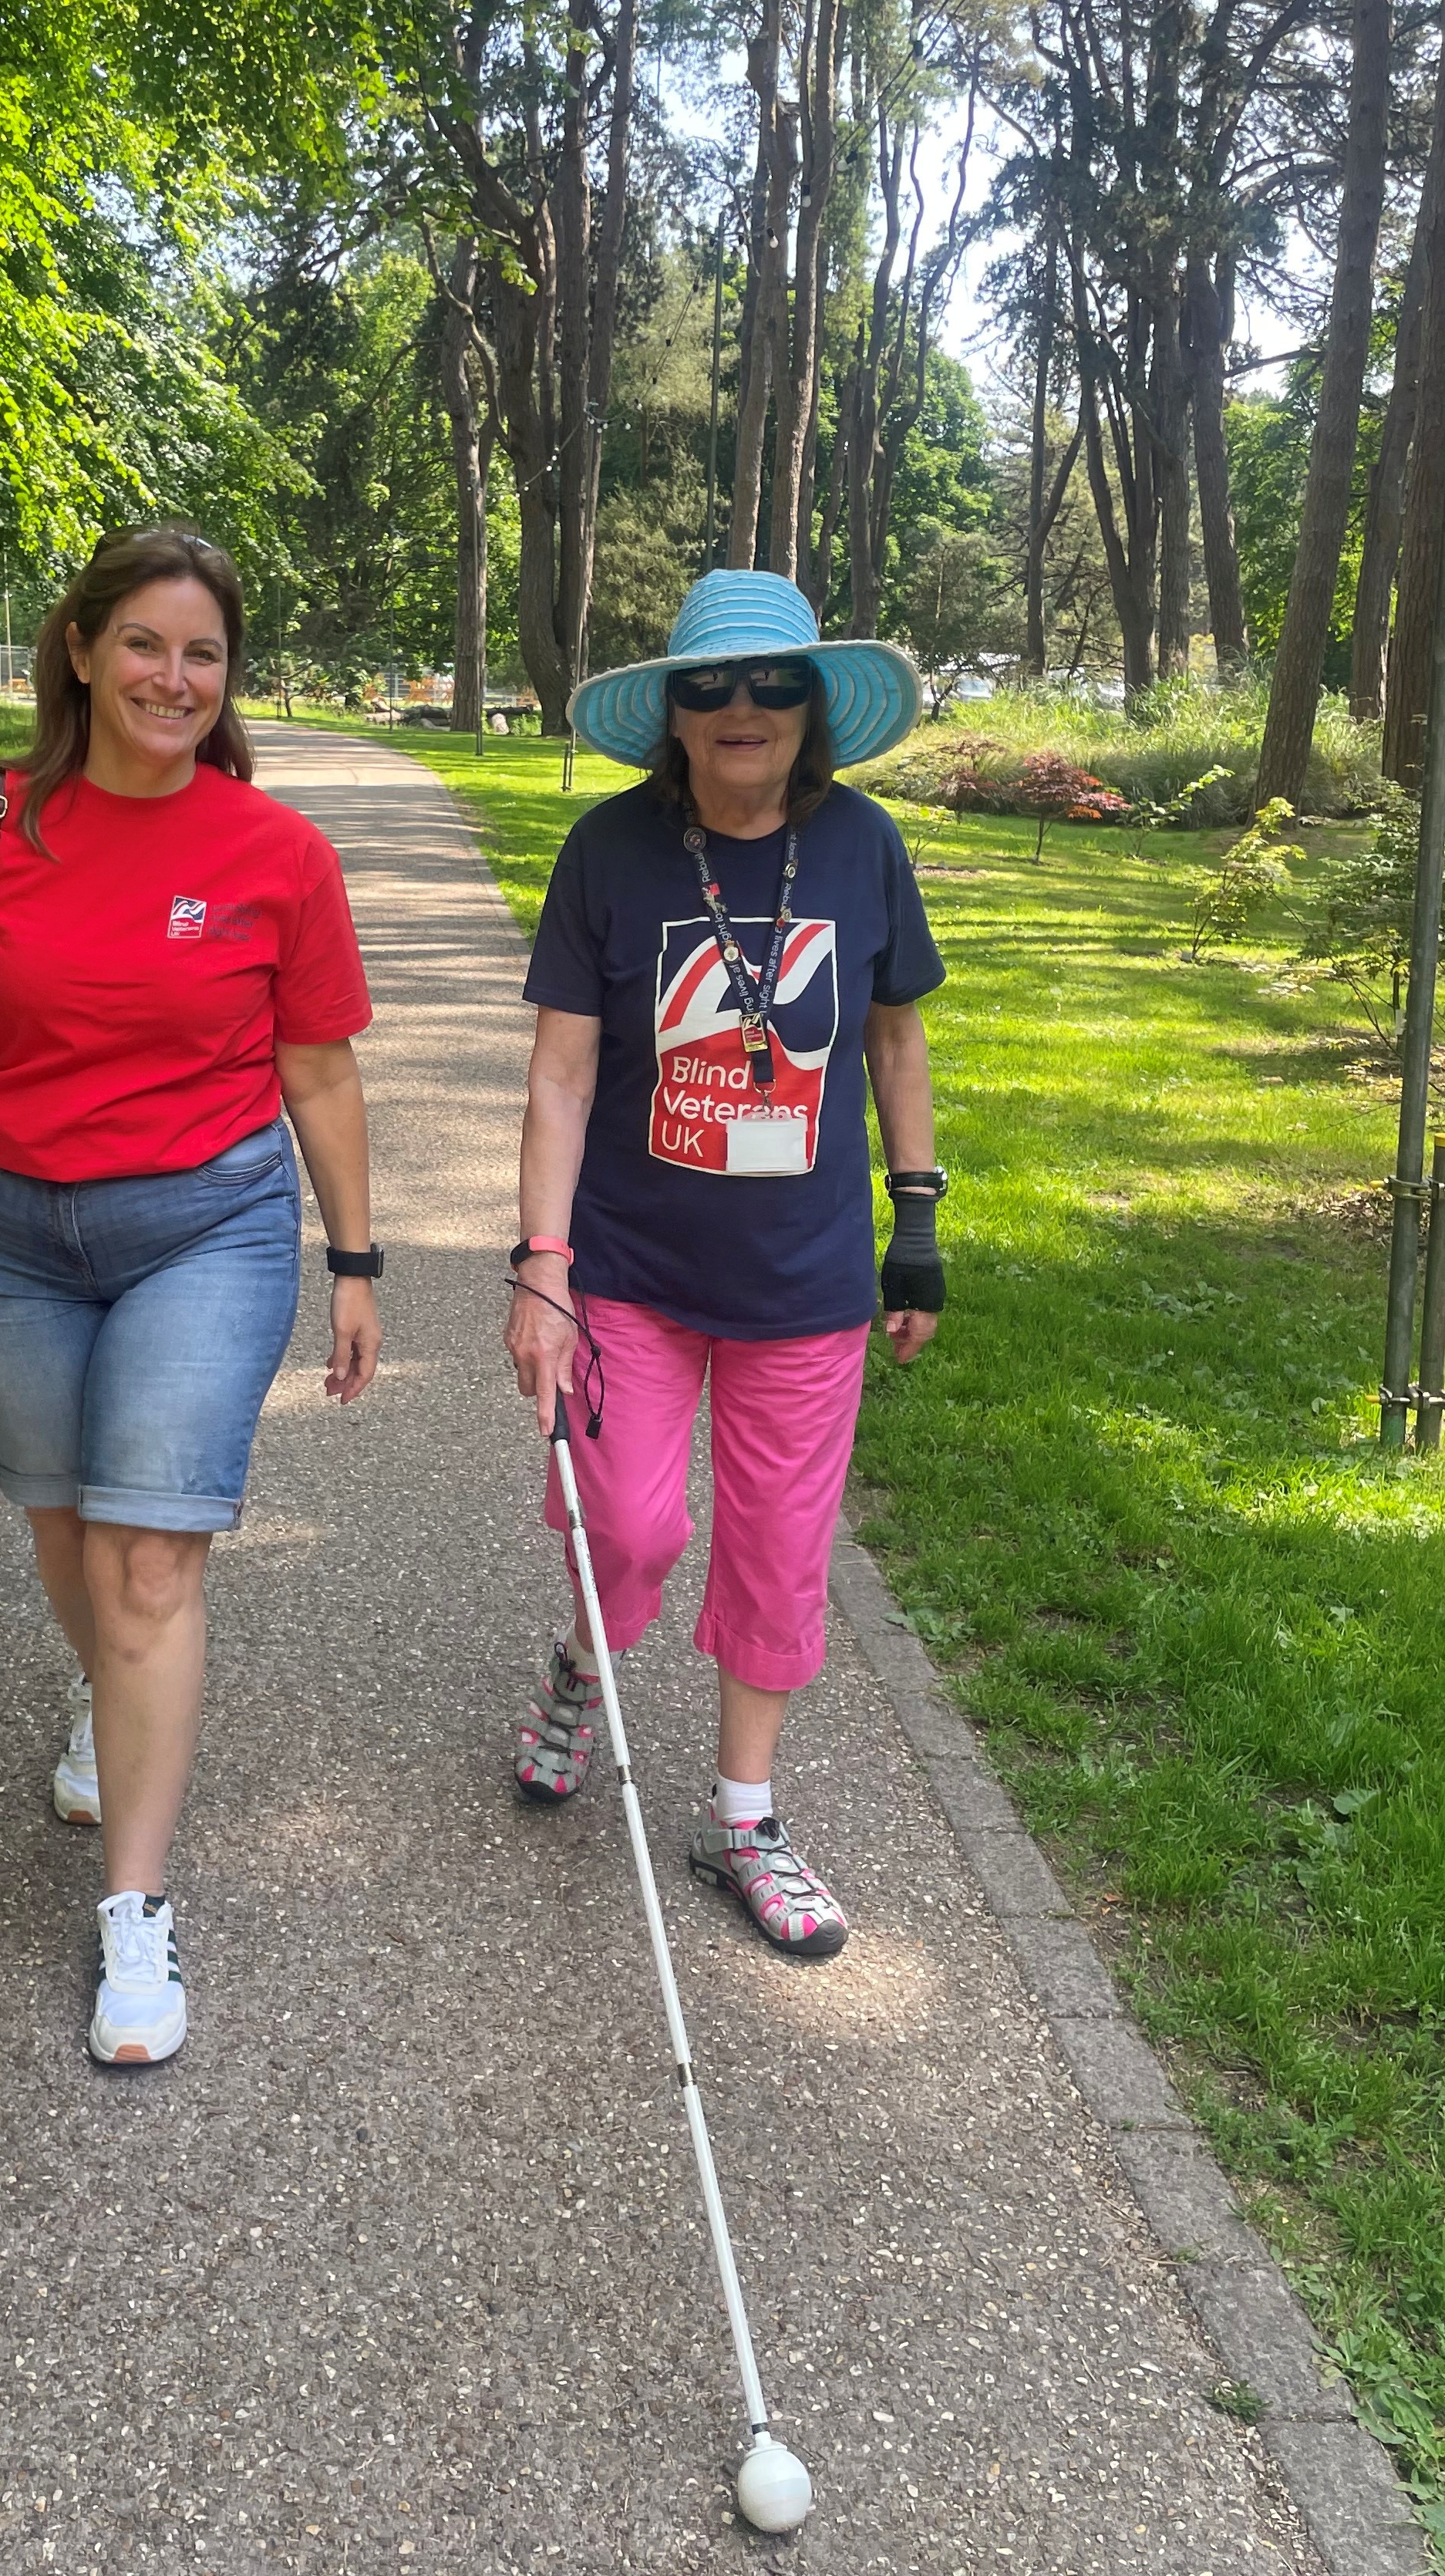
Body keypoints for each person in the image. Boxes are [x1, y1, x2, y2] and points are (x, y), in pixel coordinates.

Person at [0, 527, 382, 2067]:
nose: (172, 676)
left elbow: (320, 1069)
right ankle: (111, 1700)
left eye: (202, 653)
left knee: (153, 1559)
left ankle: (132, 1916)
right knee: (66, 1522)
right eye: (143, 643)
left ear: (229, 680)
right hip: (5, 1237)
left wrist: (354, 1261)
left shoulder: (275, 856)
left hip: (203, 1231)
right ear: (79, 649)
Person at [502, 568, 943, 1957]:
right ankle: (587, 1665)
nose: (741, 708)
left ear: (812, 708)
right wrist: (542, 1266)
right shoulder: (609, 853)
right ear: (672, 716)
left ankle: (742, 1816)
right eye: (711, 687)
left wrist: (916, 1226)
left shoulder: (866, 847)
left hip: (803, 1288)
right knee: (628, 1527)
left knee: (777, 1554)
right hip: (630, 1268)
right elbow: (563, 1081)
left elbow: (895, 1042)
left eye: (771, 684)